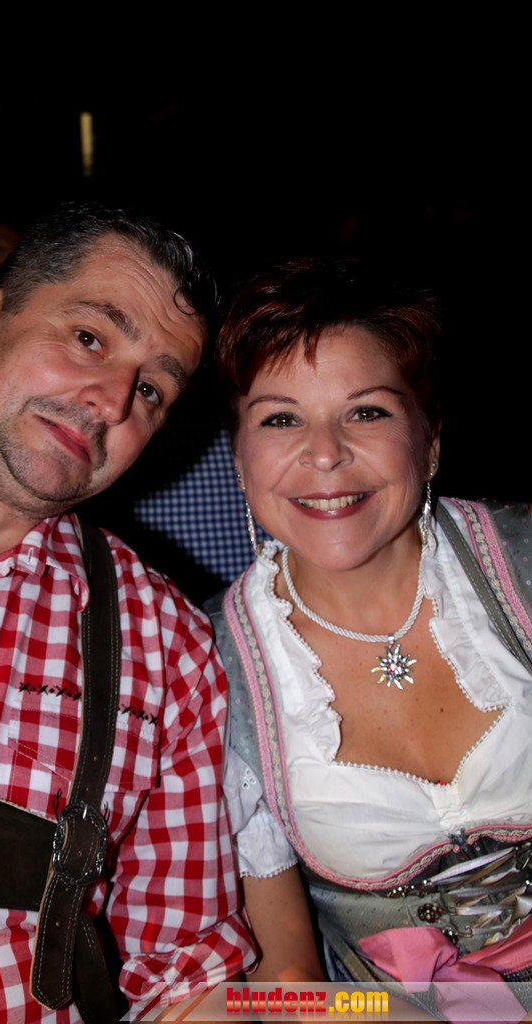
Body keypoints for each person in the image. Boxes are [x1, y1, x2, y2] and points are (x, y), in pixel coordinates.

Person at [0, 202, 255, 1023]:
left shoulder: (168, 647)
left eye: (151, 389)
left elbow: (184, 978)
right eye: (89, 338)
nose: (110, 400)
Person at [210, 257, 532, 1020]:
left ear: (429, 440)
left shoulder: (522, 565)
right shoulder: (209, 669)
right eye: (280, 419)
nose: (323, 453)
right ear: (238, 458)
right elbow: (287, 984)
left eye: (366, 413)